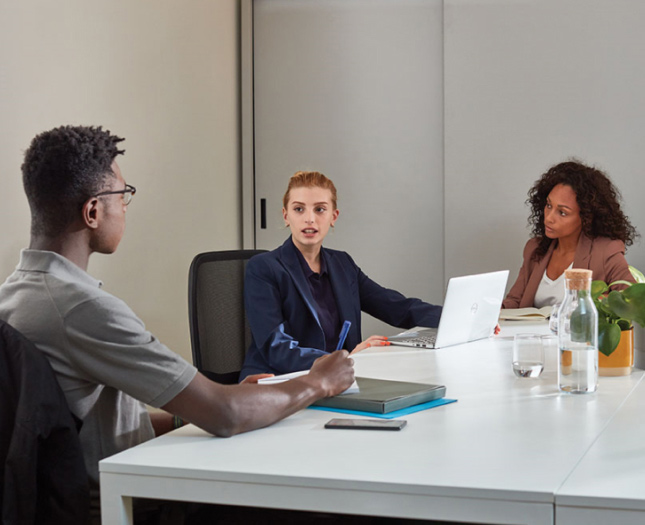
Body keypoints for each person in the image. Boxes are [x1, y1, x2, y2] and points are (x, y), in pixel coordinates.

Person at [0, 126, 355, 520]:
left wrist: (204, 409)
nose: (126, 207)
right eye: (123, 196)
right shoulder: (83, 309)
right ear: (93, 211)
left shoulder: (15, 295)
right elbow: (226, 414)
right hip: (129, 499)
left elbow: (93, 426)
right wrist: (317, 382)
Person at [241, 171, 443, 380]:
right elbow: (277, 349)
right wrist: (345, 360)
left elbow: (397, 308)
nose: (309, 219)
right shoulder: (263, 268)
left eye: (320, 209)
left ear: (333, 217)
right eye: (299, 209)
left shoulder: (342, 264)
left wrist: (452, 318)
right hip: (280, 381)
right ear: (286, 215)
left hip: (336, 380)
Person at [503, 160, 638, 309]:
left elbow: (632, 301)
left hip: (576, 333)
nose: (548, 218)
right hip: (530, 332)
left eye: (562, 212)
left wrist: (600, 302)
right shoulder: (534, 249)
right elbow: (514, 301)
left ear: (586, 217)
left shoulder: (606, 252)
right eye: (548, 205)